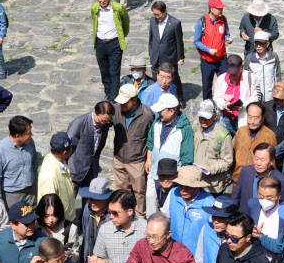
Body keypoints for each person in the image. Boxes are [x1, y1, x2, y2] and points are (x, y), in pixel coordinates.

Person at [145, 94, 194, 215]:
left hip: (172, 176)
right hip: (155, 170)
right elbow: (150, 142)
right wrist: (149, 159)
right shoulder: (157, 122)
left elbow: (187, 157)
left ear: (172, 111)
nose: (159, 113)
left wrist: (179, 176)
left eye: (161, 110)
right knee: (150, 199)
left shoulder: (184, 128)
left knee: (169, 205)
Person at [113, 83, 154, 217]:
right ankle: (123, 215)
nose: (122, 105)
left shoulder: (147, 115)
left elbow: (151, 139)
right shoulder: (116, 110)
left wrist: (148, 159)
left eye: (125, 103)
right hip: (119, 159)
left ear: (134, 100)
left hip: (137, 161)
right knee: (122, 191)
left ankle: (140, 216)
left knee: (139, 192)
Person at [162, 165, 215, 255]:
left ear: (197, 186)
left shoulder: (210, 203)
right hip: (172, 252)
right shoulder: (173, 193)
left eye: (188, 186)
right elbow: (164, 219)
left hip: (195, 257)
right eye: (180, 185)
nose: (183, 189)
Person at [92, 0, 130, 101]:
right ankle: (108, 93)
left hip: (114, 43)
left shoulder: (118, 8)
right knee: (104, 71)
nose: (103, 1)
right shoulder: (94, 8)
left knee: (114, 71)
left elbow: (126, 22)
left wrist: (122, 36)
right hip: (100, 44)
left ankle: (114, 98)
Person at [66, 101, 114, 194]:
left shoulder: (105, 123)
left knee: (89, 199)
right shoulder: (79, 123)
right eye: (101, 120)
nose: (103, 123)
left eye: (106, 121)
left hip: (92, 169)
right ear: (95, 112)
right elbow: (68, 144)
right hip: (76, 168)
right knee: (70, 198)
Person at [0, 114, 37, 206]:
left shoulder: (30, 142)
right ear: (18, 136)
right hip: (12, 197)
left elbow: (34, 164)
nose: (31, 135)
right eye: (28, 133)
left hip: (31, 193)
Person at [192, 99, 233, 195]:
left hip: (212, 186)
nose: (202, 121)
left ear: (215, 116)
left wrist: (210, 169)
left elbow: (227, 161)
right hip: (195, 181)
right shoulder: (195, 127)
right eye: (201, 117)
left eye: (206, 118)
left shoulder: (223, 136)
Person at [194, 0, 232, 101]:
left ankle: (224, 106)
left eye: (221, 8)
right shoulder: (202, 22)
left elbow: (226, 32)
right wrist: (208, 50)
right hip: (207, 61)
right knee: (207, 87)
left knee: (225, 84)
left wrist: (227, 38)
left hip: (221, 59)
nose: (221, 10)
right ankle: (208, 108)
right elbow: (196, 41)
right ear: (211, 9)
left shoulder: (223, 19)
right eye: (219, 8)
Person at [232, 142, 284, 213]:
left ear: (271, 161)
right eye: (256, 159)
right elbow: (236, 198)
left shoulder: (281, 180)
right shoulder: (245, 172)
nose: (258, 163)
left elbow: (283, 206)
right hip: (245, 217)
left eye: (262, 160)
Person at [148, 1, 185, 104]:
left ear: (164, 11)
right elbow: (151, 39)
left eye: (158, 14)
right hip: (156, 56)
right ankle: (158, 97)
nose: (156, 17)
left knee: (173, 78)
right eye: (154, 14)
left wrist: (180, 56)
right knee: (156, 77)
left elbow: (179, 41)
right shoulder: (152, 21)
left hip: (169, 56)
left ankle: (179, 97)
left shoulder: (174, 23)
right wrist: (150, 52)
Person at [231, 102, 277, 184]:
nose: (252, 121)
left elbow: (272, 163)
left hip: (258, 183)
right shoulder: (240, 132)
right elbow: (233, 155)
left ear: (262, 117)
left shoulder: (269, 136)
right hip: (237, 181)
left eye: (256, 118)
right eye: (249, 117)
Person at [37, 131, 76, 221]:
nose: (73, 148)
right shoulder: (51, 176)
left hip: (66, 217)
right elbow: (50, 206)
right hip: (60, 223)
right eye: (71, 147)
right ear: (65, 152)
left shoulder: (56, 159)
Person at [244, 31, 282, 101]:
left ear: (267, 44)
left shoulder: (274, 57)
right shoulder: (249, 58)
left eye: (261, 43)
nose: (258, 46)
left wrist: (277, 94)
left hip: (270, 97)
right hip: (255, 98)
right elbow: (245, 78)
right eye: (256, 43)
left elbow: (277, 76)